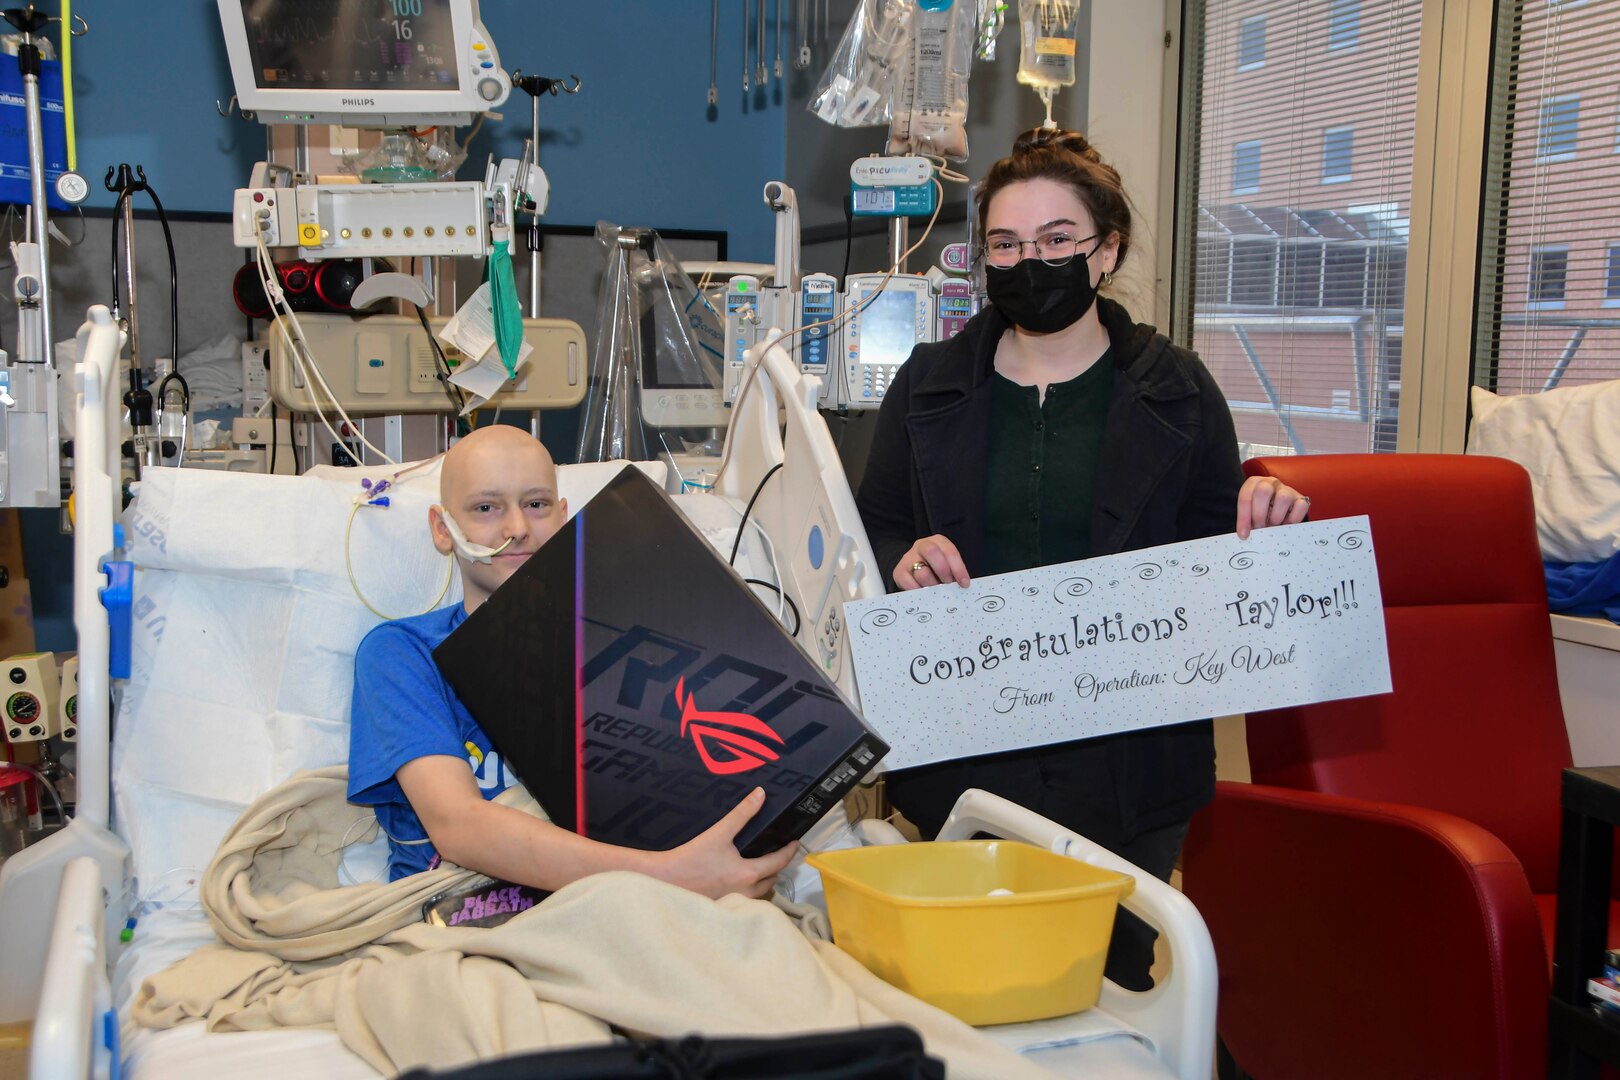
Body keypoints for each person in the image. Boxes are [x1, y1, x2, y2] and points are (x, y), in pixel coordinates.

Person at [855, 127, 1309, 988]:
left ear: (1107, 252)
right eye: (1006, 244)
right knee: (965, 995)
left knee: (1104, 1004)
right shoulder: (928, 385)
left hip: (1129, 767)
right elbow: (872, 523)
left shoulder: (1177, 391)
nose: (1032, 262)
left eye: (1058, 240)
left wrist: (1266, 520)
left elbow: (1218, 559)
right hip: (964, 759)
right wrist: (900, 557)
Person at [348, 425, 797, 899]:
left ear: (563, 519)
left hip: (636, 902)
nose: (517, 528)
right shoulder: (406, 654)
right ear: (443, 529)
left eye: (536, 504)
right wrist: (676, 877)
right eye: (486, 508)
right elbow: (459, 826)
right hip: (471, 913)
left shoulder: (630, 648)